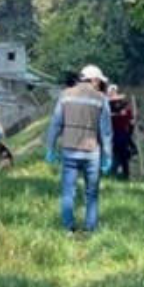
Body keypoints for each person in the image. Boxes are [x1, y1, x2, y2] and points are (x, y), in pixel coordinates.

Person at [46, 64, 113, 234]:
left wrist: (50, 148)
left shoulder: (65, 95)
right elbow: (105, 131)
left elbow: (55, 124)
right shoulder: (101, 99)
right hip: (92, 152)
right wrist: (108, 155)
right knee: (92, 193)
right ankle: (90, 229)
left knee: (68, 191)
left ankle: (68, 229)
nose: (101, 85)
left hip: (69, 149)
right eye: (100, 82)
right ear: (94, 80)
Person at [108, 85, 135, 180]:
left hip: (120, 135)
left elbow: (131, 123)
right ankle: (118, 174)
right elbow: (131, 123)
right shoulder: (110, 111)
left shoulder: (125, 111)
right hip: (117, 135)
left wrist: (129, 135)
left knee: (121, 156)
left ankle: (119, 174)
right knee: (120, 156)